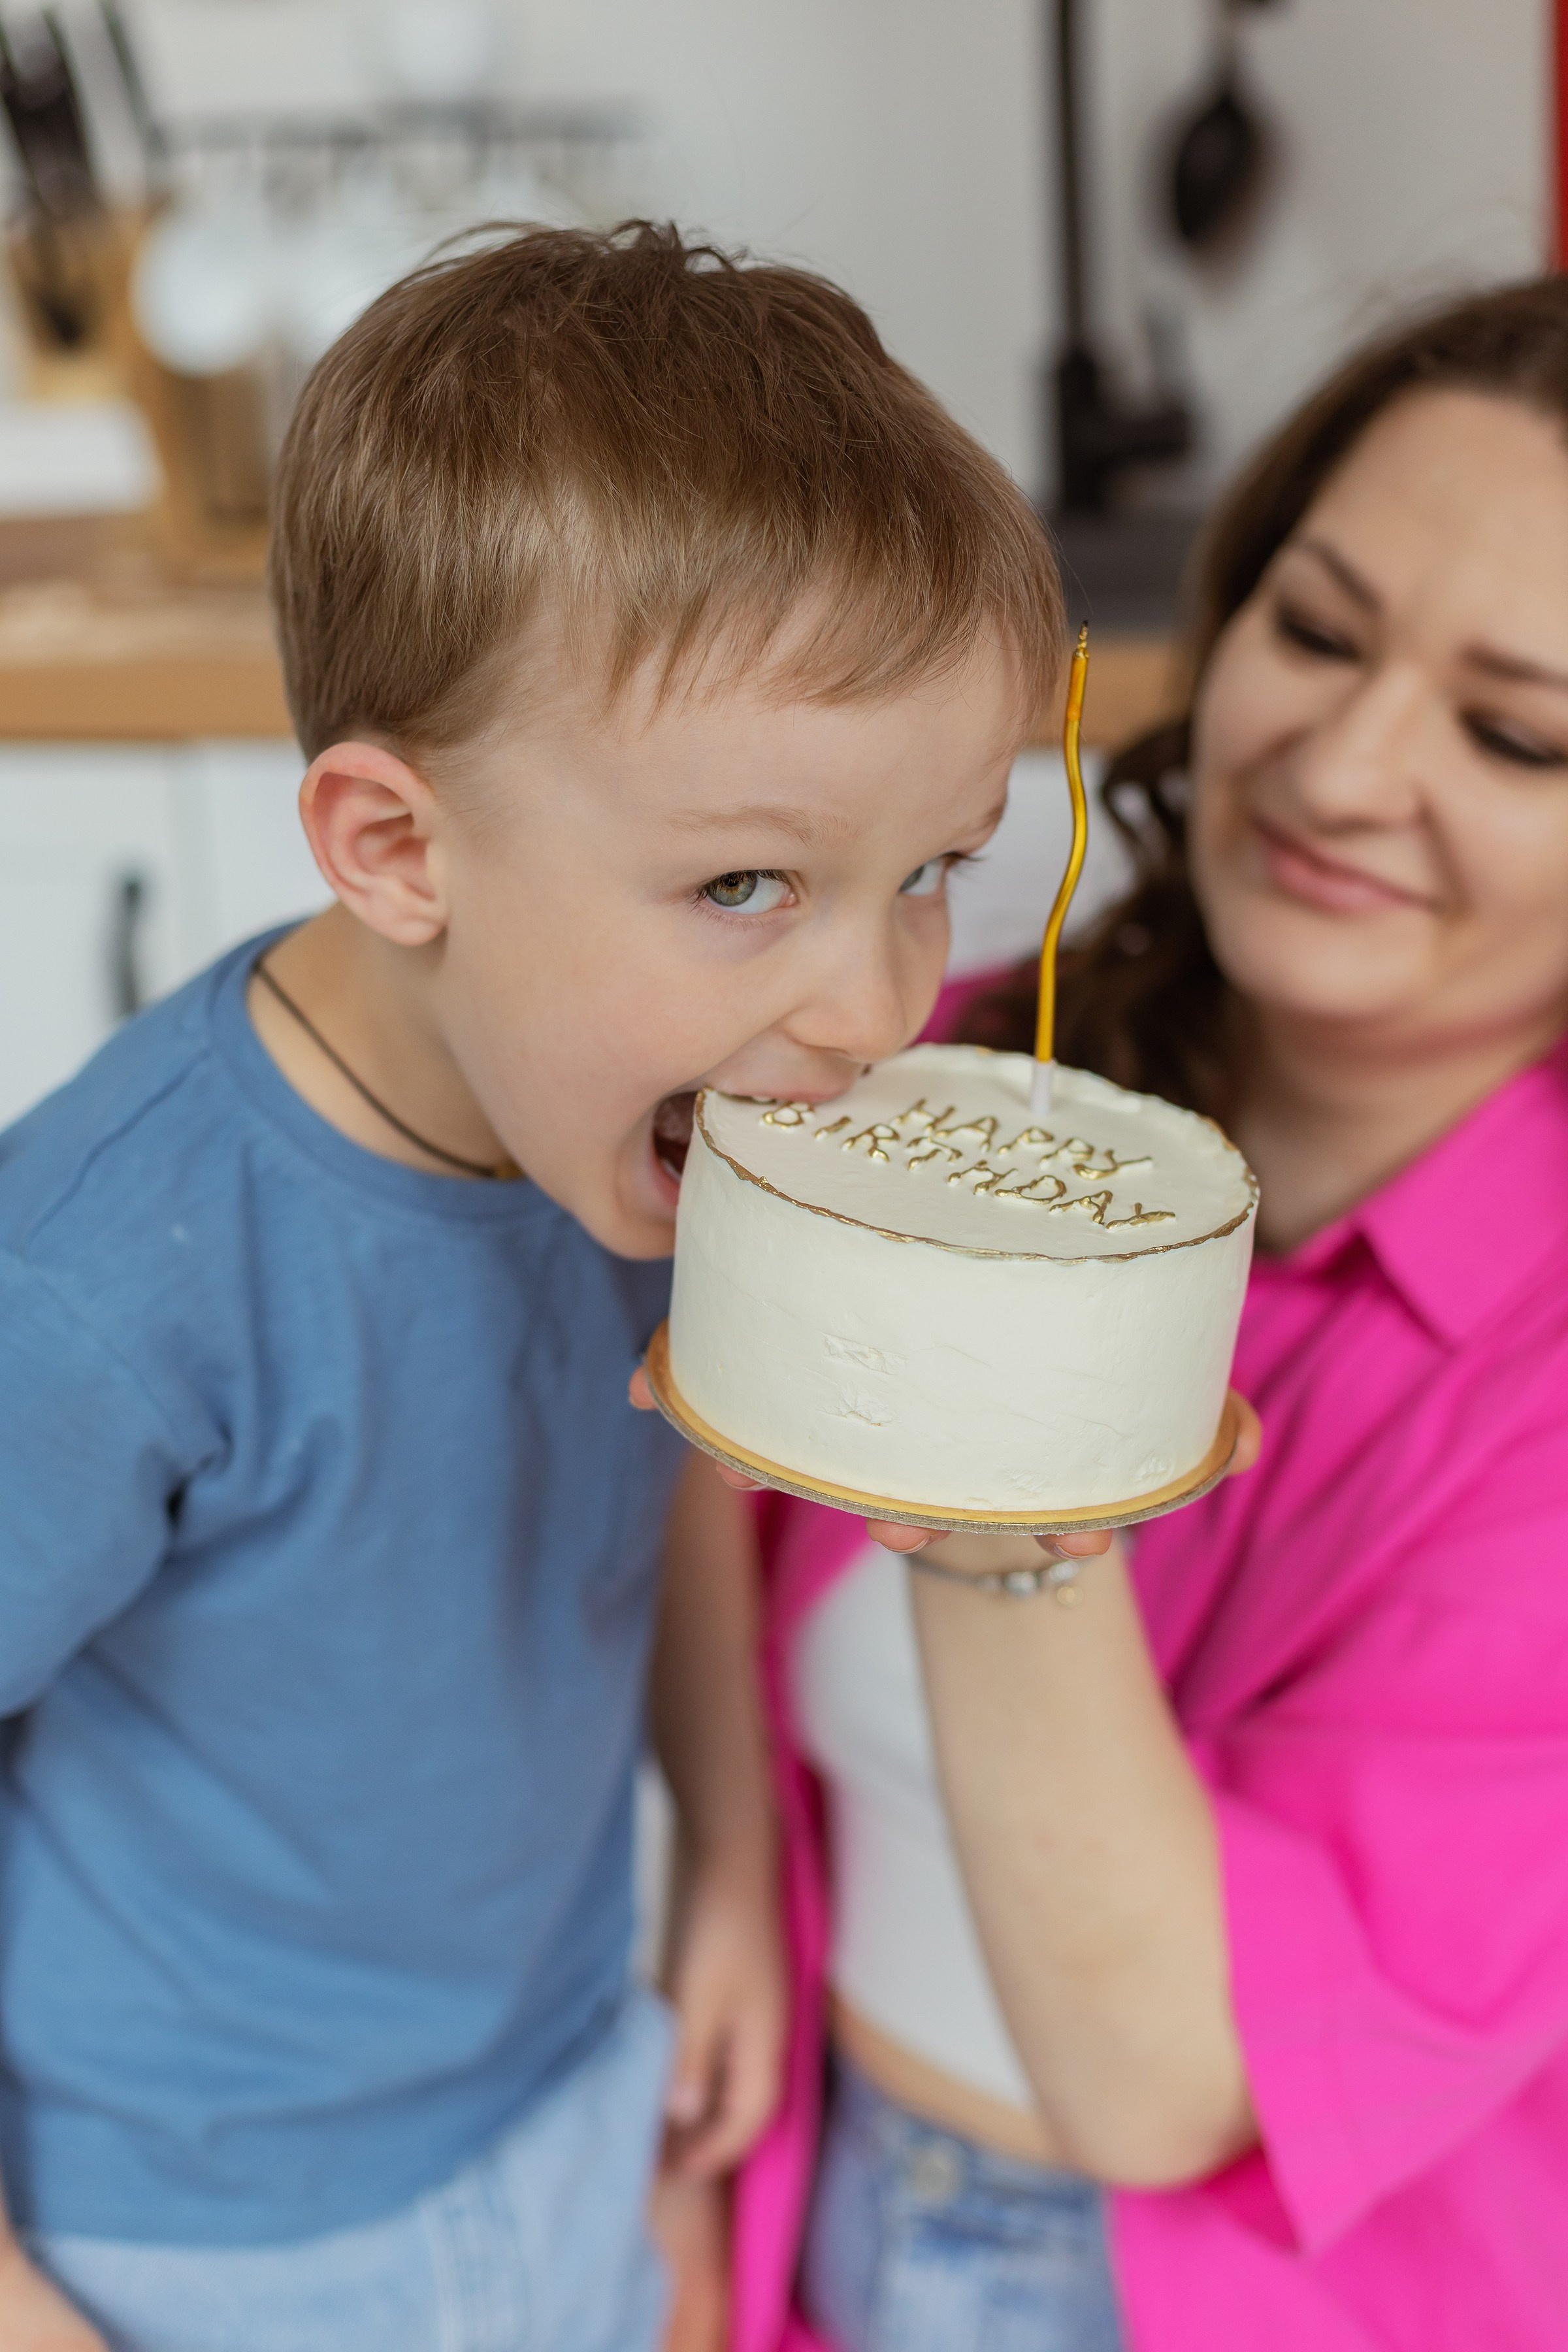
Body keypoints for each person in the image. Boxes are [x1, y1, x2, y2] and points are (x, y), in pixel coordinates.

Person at [0, 223, 1066, 2352]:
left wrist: (738, 1864)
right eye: (747, 884)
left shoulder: (632, 1136)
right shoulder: (102, 1281)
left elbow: (662, 1452)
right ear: (396, 849)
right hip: (205, 2245)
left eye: (931, 869)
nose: (877, 1002)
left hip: (579, 2109)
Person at [720, 278, 1568, 2352]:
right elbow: (681, 1449)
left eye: (1515, 729)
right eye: (1318, 627)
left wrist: (998, 1446)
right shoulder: (974, 1054)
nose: (1341, 763)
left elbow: (1163, 2074)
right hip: (798, 2185)